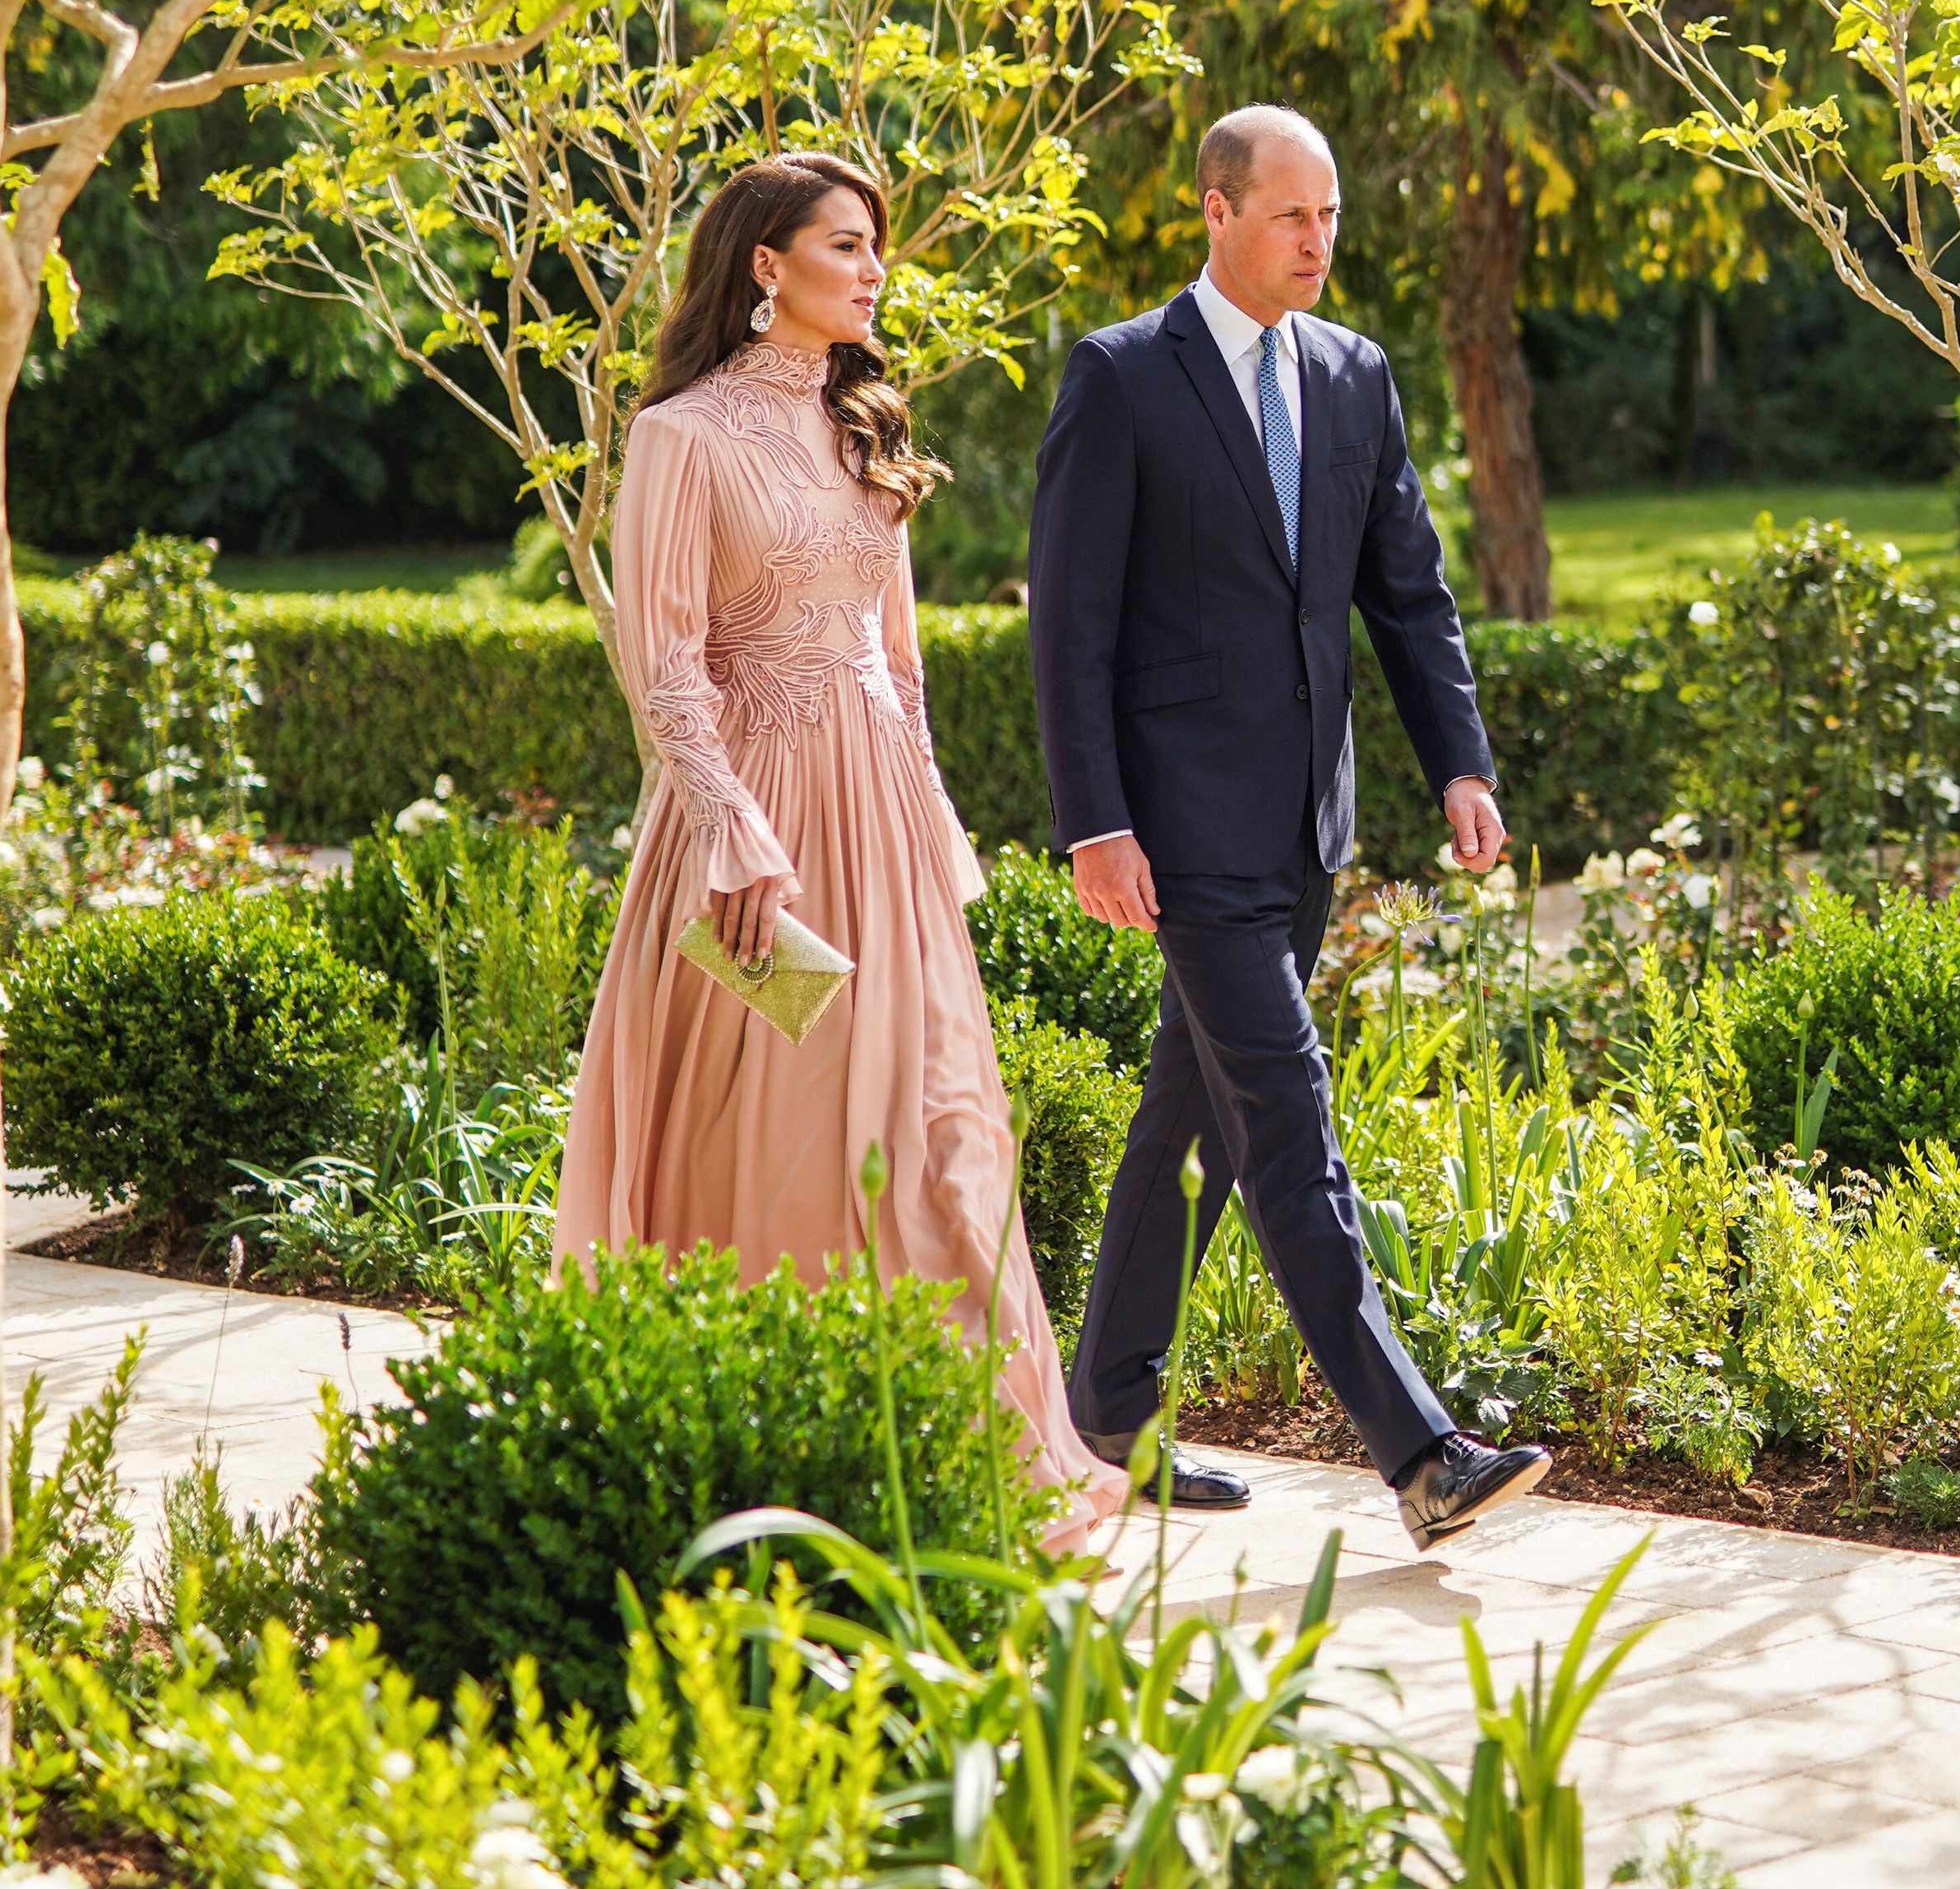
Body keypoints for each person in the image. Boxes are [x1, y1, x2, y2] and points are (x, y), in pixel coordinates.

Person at [555, 152, 1121, 1540]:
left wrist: (933, 826)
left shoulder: (869, 419)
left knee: (941, 1130)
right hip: (760, 835)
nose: (874, 270)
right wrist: (733, 831)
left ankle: (962, 1451)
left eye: (876, 249)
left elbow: (901, 659)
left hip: (884, 832)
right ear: (766, 267)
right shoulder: (682, 437)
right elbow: (664, 662)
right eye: (847, 245)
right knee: (789, 1132)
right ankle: (777, 1448)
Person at [1028, 104, 1552, 1550]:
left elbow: (1408, 590)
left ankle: (1110, 1414)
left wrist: (1459, 761)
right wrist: (1096, 825)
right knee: (1284, 1119)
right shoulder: (1123, 378)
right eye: (1289, 217)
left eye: (1330, 217)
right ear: (1215, 211)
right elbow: (1069, 629)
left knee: (1187, 1115)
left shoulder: (1356, 374)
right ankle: (1421, 1451)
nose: (1318, 242)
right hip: (1178, 832)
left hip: (1306, 820)